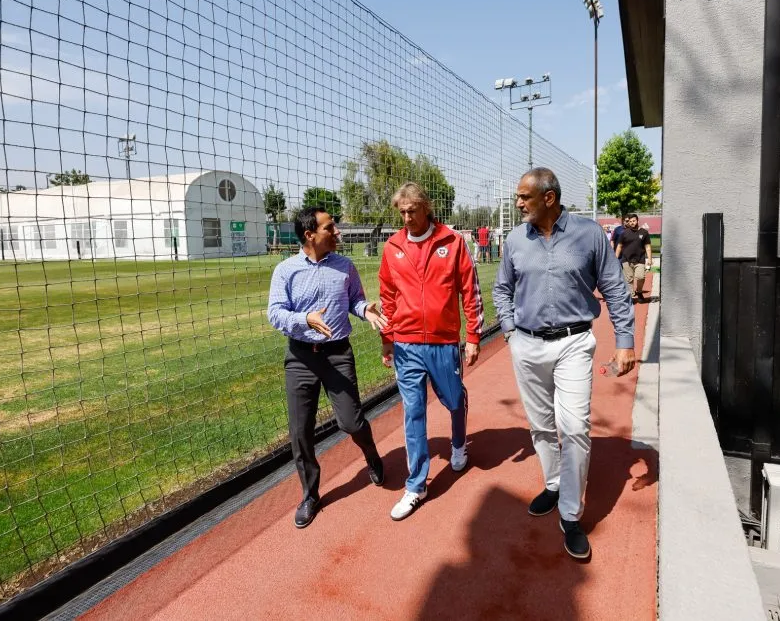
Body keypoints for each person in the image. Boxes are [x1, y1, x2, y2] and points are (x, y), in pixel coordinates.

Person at [493, 168, 636, 559]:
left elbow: (615, 289)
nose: (518, 203)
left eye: (524, 197)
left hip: (574, 343)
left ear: (549, 198)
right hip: (526, 344)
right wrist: (509, 332)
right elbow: (502, 289)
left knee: (574, 427)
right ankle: (554, 483)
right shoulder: (514, 240)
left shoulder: (589, 235)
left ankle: (571, 514)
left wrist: (625, 341)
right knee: (540, 424)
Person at [267, 207, 389, 528]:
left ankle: (371, 454)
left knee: (351, 422)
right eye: (331, 228)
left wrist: (367, 310)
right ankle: (310, 493)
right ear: (310, 235)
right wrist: (304, 319)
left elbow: (355, 301)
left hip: (337, 354)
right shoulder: (285, 271)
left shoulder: (345, 266)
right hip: (300, 357)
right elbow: (275, 313)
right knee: (300, 431)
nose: (338, 233)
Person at [379, 182, 484, 521]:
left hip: (443, 342)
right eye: (402, 212)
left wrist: (474, 336)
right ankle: (416, 485)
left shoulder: (452, 242)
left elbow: (470, 289)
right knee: (413, 412)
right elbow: (387, 297)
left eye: (412, 211)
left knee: (453, 400)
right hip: (407, 344)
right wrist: (387, 339)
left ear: (426, 208)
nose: (407, 218)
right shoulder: (393, 247)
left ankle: (457, 443)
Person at [615, 213, 654, 302]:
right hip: (626, 260)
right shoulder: (624, 233)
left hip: (640, 259)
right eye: (630, 221)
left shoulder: (644, 232)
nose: (632, 223)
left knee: (640, 277)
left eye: (634, 221)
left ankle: (639, 292)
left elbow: (647, 246)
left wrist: (650, 259)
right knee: (629, 279)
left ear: (637, 221)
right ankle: (631, 296)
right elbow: (619, 246)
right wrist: (615, 258)